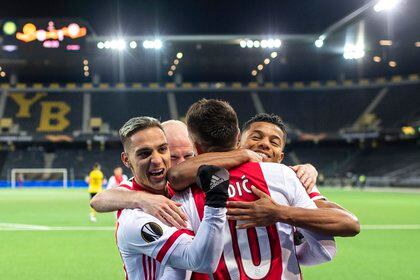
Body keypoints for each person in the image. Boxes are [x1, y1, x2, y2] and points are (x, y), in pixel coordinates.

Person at [168, 99, 358, 279]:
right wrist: (289, 253)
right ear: (238, 140)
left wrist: (280, 213)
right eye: (256, 137)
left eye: (274, 142)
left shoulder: (186, 188)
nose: (264, 144)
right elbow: (325, 249)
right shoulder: (285, 177)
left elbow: (349, 223)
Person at [115, 116, 232, 279]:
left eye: (162, 149)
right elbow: (201, 261)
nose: (156, 160)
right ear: (126, 160)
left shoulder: (177, 190)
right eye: (144, 153)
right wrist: (216, 201)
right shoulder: (135, 219)